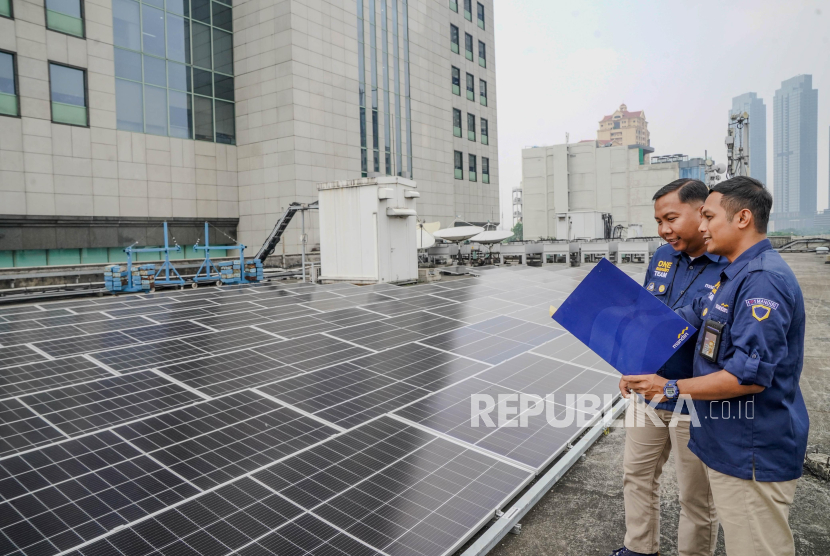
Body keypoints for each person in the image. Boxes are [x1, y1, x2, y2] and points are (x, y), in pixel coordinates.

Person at [627, 176, 809, 556]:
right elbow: (681, 317)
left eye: (708, 216)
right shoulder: (732, 276)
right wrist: (622, 342)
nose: (703, 225)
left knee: (753, 544)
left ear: (742, 218)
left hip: (751, 446)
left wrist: (669, 387)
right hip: (726, 437)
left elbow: (748, 376)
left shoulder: (762, 280)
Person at [610, 179, 725, 556]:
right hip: (647, 393)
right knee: (637, 475)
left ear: (701, 211)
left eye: (671, 218)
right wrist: (629, 363)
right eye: (659, 220)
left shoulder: (728, 264)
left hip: (693, 398)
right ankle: (640, 548)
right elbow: (645, 319)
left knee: (696, 497)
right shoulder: (662, 256)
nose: (664, 229)